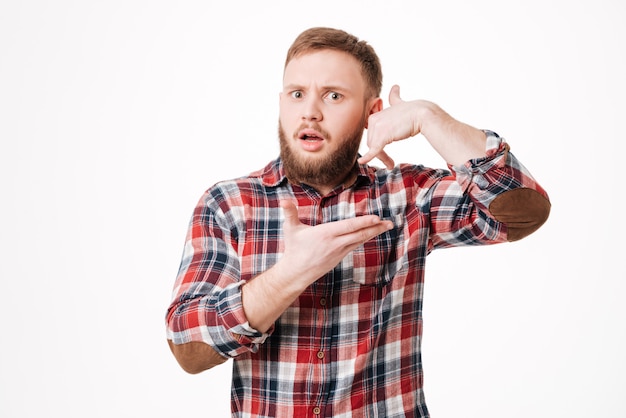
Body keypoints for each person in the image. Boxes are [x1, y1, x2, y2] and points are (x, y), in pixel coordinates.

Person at [165, 27, 551, 417]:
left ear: (371, 113)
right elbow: (187, 347)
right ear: (281, 103)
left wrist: (427, 117)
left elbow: (523, 211)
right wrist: (290, 274)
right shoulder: (229, 204)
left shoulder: (408, 196)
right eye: (297, 94)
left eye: (333, 96)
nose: (310, 111)